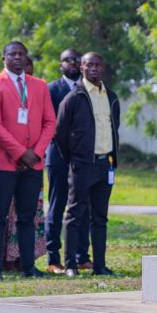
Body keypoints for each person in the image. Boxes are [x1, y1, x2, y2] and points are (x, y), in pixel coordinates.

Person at [0, 41, 55, 279]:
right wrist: (21, 152)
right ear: (3, 58)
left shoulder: (39, 85)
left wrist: (36, 152)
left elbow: (50, 122)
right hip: (3, 161)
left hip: (33, 162)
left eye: (21, 54)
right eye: (12, 54)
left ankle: (28, 267)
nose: (17, 58)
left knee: (27, 216)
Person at [53, 52, 119, 276]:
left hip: (105, 164)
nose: (94, 68)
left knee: (100, 217)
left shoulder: (111, 97)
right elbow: (60, 133)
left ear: (103, 68)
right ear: (81, 68)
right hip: (82, 165)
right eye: (89, 65)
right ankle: (71, 265)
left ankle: (99, 265)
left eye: (98, 65)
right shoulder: (74, 97)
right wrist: (74, 158)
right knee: (75, 215)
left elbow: (114, 127)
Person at [44, 48, 82, 273]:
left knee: (81, 207)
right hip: (58, 156)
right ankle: (53, 258)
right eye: (68, 60)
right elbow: (50, 124)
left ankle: (81, 256)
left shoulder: (87, 88)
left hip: (82, 158)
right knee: (57, 207)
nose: (73, 63)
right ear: (61, 64)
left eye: (77, 59)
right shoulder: (52, 89)